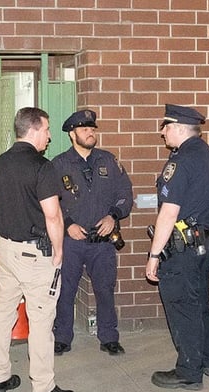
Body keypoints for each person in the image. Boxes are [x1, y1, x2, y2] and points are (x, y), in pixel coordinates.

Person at [0, 107, 76, 392]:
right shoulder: (42, 167)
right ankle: (43, 388)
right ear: (34, 130)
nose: (50, 136)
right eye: (47, 130)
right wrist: (59, 252)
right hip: (35, 254)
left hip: (6, 250)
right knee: (40, 319)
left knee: (4, 312)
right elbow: (53, 216)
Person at [145, 104, 209, 391]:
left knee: (182, 304)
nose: (163, 133)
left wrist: (154, 255)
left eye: (165, 127)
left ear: (178, 128)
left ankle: (189, 371)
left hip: (184, 247)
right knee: (200, 299)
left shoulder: (181, 161)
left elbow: (168, 212)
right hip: (207, 242)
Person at [51, 109, 133, 356]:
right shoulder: (58, 165)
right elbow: (49, 201)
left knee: (105, 290)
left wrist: (113, 216)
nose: (91, 133)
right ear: (72, 134)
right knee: (66, 291)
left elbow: (125, 196)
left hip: (102, 243)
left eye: (93, 129)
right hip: (71, 242)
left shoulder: (108, 160)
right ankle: (62, 337)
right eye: (85, 129)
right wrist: (67, 224)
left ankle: (109, 336)